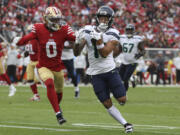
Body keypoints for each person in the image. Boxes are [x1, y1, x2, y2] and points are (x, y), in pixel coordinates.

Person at [74, 6, 133, 133]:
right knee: (106, 103)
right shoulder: (88, 30)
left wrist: (99, 40)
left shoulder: (114, 32)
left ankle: (116, 90)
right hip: (95, 73)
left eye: (106, 19)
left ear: (111, 20)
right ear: (97, 19)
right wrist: (77, 42)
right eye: (101, 18)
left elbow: (105, 53)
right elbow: (77, 53)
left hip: (110, 70)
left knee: (122, 100)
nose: (103, 21)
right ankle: (126, 124)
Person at [15, 6, 76, 125]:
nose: (56, 22)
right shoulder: (38, 28)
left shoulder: (64, 29)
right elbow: (25, 40)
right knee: (49, 83)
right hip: (43, 66)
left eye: (58, 19)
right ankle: (58, 114)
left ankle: (57, 108)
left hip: (58, 67)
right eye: (53, 19)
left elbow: (76, 39)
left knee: (59, 93)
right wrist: (20, 41)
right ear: (46, 19)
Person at [117, 24, 146, 92]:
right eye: (128, 30)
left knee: (125, 79)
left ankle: (124, 94)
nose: (129, 32)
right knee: (119, 78)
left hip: (133, 62)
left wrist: (139, 55)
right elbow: (120, 49)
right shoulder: (122, 38)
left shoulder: (137, 39)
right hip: (124, 61)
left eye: (130, 30)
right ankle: (133, 78)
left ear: (133, 31)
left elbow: (143, 50)